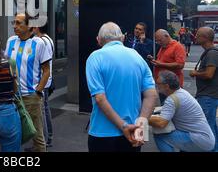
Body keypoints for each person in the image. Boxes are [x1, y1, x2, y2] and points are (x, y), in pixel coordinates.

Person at [86, 22, 157, 152]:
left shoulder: (95, 57)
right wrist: (141, 127)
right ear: (123, 38)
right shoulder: (137, 57)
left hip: (103, 134)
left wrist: (124, 126)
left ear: (98, 40)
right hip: (134, 132)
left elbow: (100, 98)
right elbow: (151, 94)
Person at [5, 13, 51, 152]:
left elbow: (46, 70)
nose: (15, 26)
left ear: (29, 26)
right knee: (12, 133)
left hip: (31, 97)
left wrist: (38, 91)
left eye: (19, 23)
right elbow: (6, 65)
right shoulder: (11, 41)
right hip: (13, 97)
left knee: (37, 135)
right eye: (14, 23)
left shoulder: (39, 43)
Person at [149, 71, 215, 152]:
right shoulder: (182, 93)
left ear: (166, 86)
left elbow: (161, 123)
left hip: (200, 139)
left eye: (158, 84)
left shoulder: (172, 99)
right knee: (178, 139)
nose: (156, 86)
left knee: (160, 136)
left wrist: (142, 116)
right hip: (205, 138)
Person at [189, 27, 218, 151]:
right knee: (211, 126)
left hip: (208, 96)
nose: (195, 37)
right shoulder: (210, 52)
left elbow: (209, 74)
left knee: (207, 128)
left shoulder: (212, 53)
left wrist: (195, 73)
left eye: (198, 35)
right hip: (208, 95)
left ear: (205, 38)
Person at [32, 25, 55, 148]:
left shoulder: (41, 41)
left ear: (37, 28)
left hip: (42, 81)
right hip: (47, 80)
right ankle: (48, 137)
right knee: (45, 109)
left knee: (41, 112)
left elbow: (42, 64)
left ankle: (43, 141)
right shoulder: (49, 39)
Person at [150, 29, 186, 104]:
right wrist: (154, 60)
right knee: (165, 107)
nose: (159, 43)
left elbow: (180, 64)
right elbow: (162, 61)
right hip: (163, 85)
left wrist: (160, 64)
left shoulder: (177, 46)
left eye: (160, 40)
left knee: (172, 108)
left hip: (172, 86)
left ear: (167, 36)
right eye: (157, 41)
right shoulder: (163, 47)